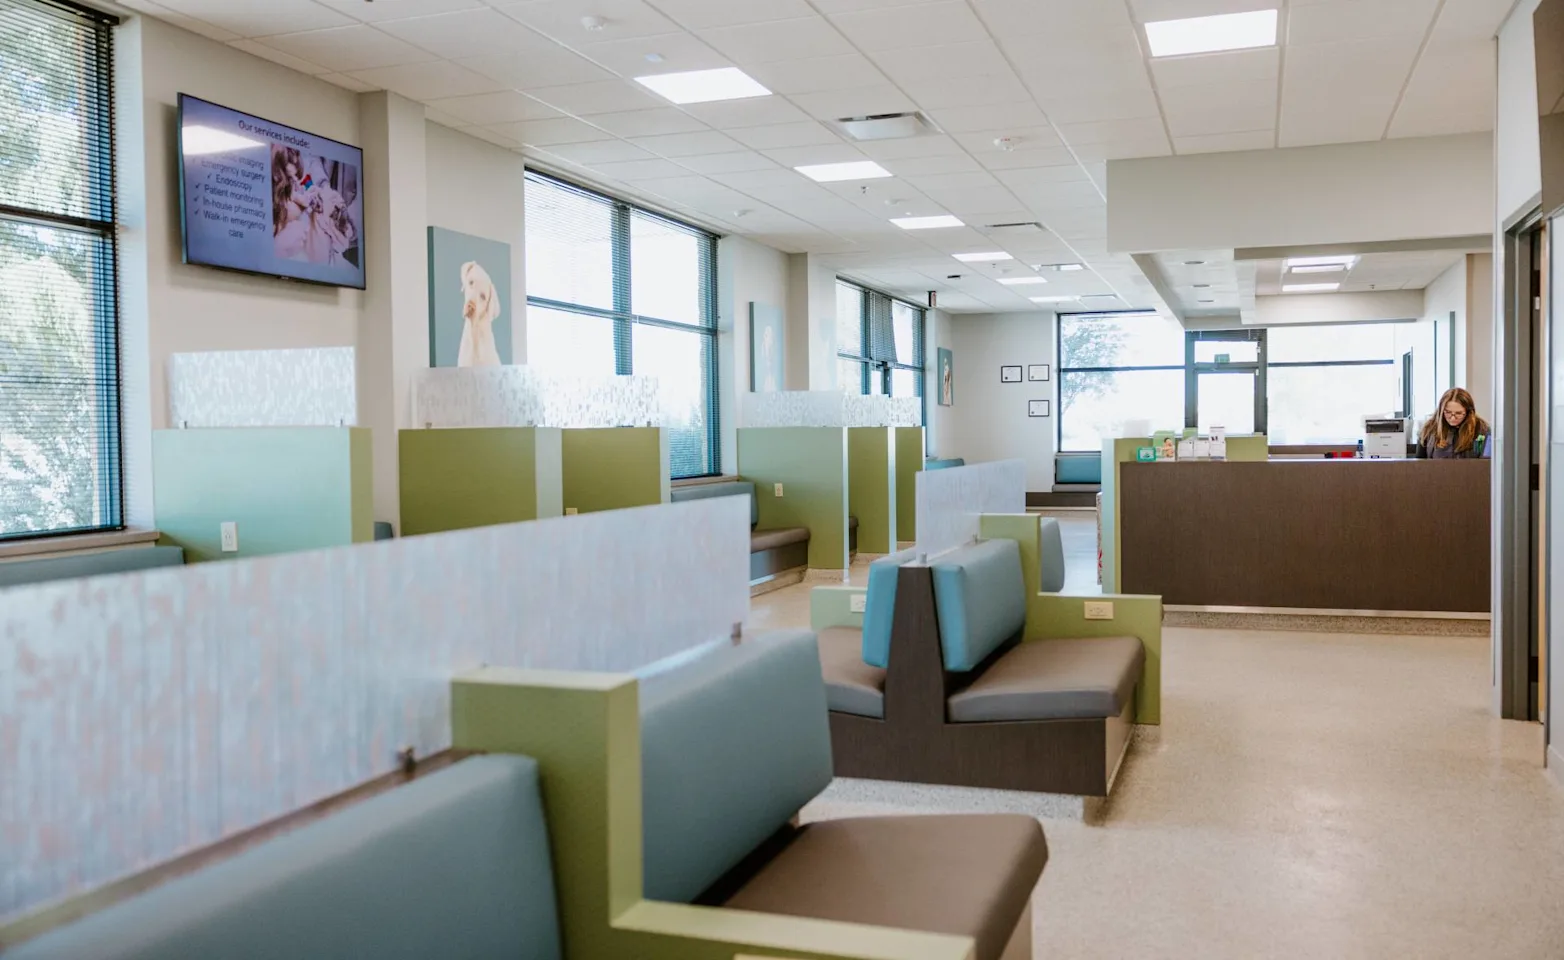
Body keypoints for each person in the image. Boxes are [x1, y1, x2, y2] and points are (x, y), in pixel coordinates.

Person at [1416, 387, 1492, 459]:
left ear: (1468, 412)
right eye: (1448, 412)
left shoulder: (1482, 430)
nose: (1452, 418)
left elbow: (1486, 464)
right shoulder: (1429, 429)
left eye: (1458, 413)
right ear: (1441, 411)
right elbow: (1419, 465)